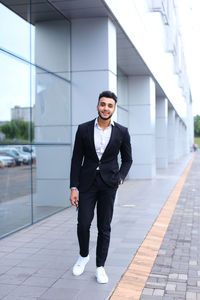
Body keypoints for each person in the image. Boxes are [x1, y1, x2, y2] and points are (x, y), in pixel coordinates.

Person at [70, 90, 132, 284]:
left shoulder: (122, 131)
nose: (106, 108)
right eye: (102, 104)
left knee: (104, 227)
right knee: (83, 223)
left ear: (114, 108)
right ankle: (83, 255)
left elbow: (128, 159)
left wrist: (120, 178)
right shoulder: (83, 129)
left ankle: (100, 267)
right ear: (98, 106)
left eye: (110, 105)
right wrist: (73, 187)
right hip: (87, 184)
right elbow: (76, 160)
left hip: (108, 185)